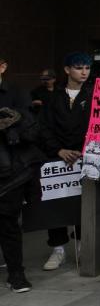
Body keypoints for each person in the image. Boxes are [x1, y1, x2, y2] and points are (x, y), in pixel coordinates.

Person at [38, 53, 93, 272]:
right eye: (79, 68)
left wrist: (83, 151)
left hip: (84, 157)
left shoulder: (94, 94)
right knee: (56, 203)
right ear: (67, 69)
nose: (84, 72)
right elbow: (43, 127)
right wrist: (58, 150)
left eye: (87, 68)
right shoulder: (53, 97)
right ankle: (58, 249)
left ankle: (82, 245)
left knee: (82, 203)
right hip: (57, 157)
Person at [0, 56, 41, 292]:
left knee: (8, 223)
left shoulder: (16, 92)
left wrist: (14, 123)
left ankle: (17, 273)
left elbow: (32, 130)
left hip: (12, 171)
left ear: (3, 67)